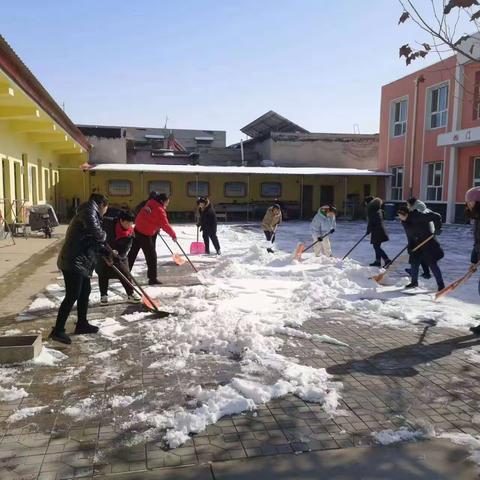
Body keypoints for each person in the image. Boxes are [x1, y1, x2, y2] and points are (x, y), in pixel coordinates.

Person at [49, 193, 109, 344]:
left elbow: (90, 239)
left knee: (85, 292)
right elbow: (98, 235)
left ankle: (82, 323)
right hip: (73, 261)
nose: (105, 212)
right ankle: (58, 330)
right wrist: (104, 236)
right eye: (106, 208)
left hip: (80, 261)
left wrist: (105, 251)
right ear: (102, 204)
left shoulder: (89, 212)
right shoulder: (89, 212)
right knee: (72, 295)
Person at [128, 193, 177, 285]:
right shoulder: (160, 210)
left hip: (137, 230)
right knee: (151, 256)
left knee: (133, 253)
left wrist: (156, 226)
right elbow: (165, 225)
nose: (167, 204)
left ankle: (125, 271)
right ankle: (152, 278)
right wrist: (173, 235)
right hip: (145, 234)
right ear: (162, 201)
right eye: (167, 202)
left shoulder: (150, 203)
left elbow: (149, 217)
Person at [95, 210, 139, 304]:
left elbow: (126, 249)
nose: (130, 225)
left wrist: (117, 256)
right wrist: (107, 254)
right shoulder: (108, 223)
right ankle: (103, 295)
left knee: (125, 273)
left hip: (119, 254)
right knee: (103, 273)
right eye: (128, 223)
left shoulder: (130, 232)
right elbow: (96, 226)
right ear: (121, 220)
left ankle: (130, 294)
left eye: (131, 223)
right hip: (104, 251)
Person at [397, 205, 445, 291]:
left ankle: (441, 285)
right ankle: (414, 282)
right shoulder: (404, 222)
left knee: (432, 264)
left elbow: (436, 216)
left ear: (406, 214)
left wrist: (438, 228)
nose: (400, 218)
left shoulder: (418, 216)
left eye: (400, 216)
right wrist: (410, 246)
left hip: (428, 243)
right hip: (416, 244)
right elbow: (409, 235)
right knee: (414, 263)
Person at [465, 187, 480, 334]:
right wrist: (474, 260)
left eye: (471, 201)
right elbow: (477, 242)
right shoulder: (476, 219)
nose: (468, 204)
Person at [406, 198, 432, 279]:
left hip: (421, 236)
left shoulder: (417, 210)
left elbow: (418, 224)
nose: (407, 206)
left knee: (415, 253)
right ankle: (426, 273)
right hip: (425, 235)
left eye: (407, 204)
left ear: (411, 204)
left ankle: (413, 271)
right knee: (421, 255)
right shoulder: (422, 208)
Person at [365, 196, 391, 267]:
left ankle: (387, 260)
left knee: (376, 247)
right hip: (380, 229)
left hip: (376, 230)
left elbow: (371, 221)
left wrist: (368, 230)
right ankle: (378, 261)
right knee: (376, 246)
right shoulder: (378, 209)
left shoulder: (371, 209)